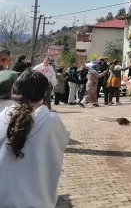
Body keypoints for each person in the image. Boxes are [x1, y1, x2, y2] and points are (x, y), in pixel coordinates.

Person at [0, 70, 70, 208]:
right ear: (43, 93)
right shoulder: (51, 120)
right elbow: (62, 142)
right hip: (38, 200)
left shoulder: (3, 116)